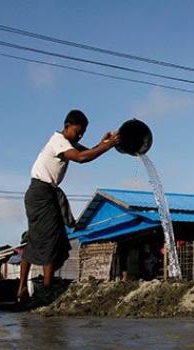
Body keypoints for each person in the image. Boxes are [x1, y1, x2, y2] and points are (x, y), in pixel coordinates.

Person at [18, 110, 121, 301]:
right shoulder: (59, 141)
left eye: (82, 133)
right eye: (77, 131)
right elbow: (82, 158)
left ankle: (24, 289)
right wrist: (108, 146)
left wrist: (104, 143)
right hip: (40, 193)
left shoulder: (67, 143)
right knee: (48, 238)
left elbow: (86, 152)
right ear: (67, 126)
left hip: (45, 193)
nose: (80, 136)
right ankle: (45, 290)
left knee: (46, 237)